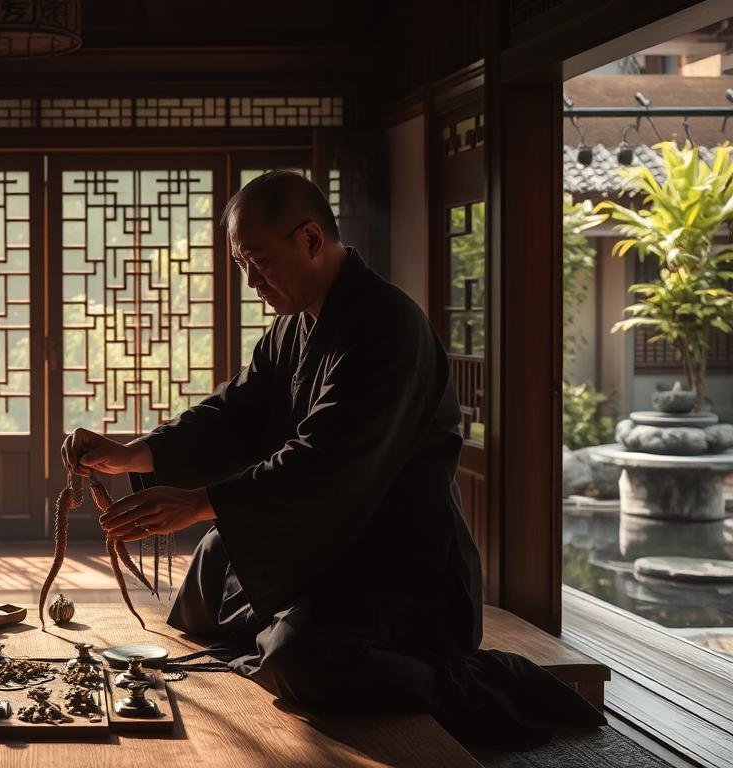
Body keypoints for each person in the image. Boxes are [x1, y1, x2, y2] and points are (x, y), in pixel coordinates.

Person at [61, 170, 602, 749]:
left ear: (312, 240)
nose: (251, 282)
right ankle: (271, 639)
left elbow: (327, 461)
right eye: (243, 265)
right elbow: (234, 411)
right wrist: (132, 453)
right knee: (211, 571)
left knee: (303, 660)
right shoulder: (292, 326)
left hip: (398, 567)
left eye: (260, 262)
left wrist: (201, 502)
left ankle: (472, 680)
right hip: (324, 545)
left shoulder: (388, 328)